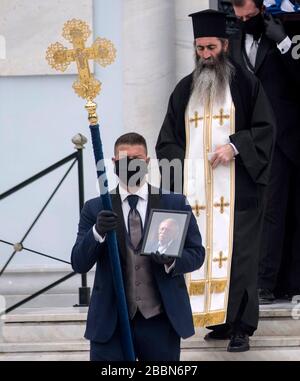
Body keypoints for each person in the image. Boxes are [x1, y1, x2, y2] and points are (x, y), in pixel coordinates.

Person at [156, 10, 275, 352]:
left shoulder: (246, 85)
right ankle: (218, 322)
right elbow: (167, 140)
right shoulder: (184, 90)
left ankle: (241, 328)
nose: (205, 55)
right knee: (205, 254)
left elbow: (266, 129)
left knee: (239, 260)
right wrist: (186, 167)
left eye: (211, 47)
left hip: (239, 194)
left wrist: (236, 147)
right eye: (200, 48)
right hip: (198, 196)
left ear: (225, 45)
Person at [71, 132, 205, 361]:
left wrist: (172, 261)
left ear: (148, 162)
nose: (131, 165)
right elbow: (79, 262)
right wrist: (97, 232)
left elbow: (197, 253)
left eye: (137, 159)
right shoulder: (95, 208)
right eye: (124, 161)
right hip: (110, 323)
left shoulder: (173, 203)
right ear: (114, 164)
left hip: (160, 321)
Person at [229, 0, 300, 303]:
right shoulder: (231, 41)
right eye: (237, 11)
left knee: (276, 211)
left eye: (248, 10)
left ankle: (267, 282)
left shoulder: (287, 35)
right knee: (250, 211)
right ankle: (252, 280)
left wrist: (283, 42)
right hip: (245, 140)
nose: (243, 17)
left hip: (284, 139)